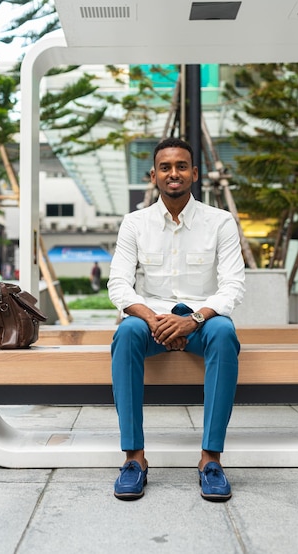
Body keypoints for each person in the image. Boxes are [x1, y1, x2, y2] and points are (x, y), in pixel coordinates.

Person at [107, 137, 245, 502]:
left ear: (194, 174)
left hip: (201, 322)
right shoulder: (134, 223)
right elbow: (119, 284)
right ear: (153, 175)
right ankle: (134, 459)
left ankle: (210, 460)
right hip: (151, 322)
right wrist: (154, 320)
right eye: (165, 167)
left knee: (223, 331)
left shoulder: (220, 222)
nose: (174, 174)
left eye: (181, 166)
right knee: (127, 333)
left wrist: (194, 319)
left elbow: (232, 286)